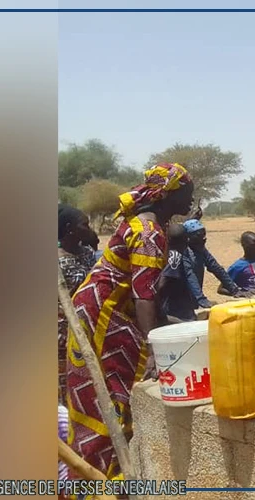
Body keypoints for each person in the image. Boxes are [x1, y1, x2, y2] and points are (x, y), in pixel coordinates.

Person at [65, 163, 194, 479]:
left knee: (99, 400)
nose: (191, 203)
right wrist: (153, 347)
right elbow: (144, 295)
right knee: (109, 400)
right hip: (103, 319)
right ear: (167, 195)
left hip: (97, 311)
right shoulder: (148, 233)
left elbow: (147, 293)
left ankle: (102, 475)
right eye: (186, 195)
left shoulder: (145, 225)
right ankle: (100, 482)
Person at [58, 204, 97, 404]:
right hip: (63, 335)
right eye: (84, 225)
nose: (88, 229)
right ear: (69, 229)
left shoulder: (88, 253)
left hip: (90, 328)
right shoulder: (57, 263)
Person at [181, 219, 245, 306]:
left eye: (204, 234)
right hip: (182, 299)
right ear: (188, 239)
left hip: (195, 298)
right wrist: (201, 299)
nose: (204, 239)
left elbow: (216, 268)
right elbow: (190, 275)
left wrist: (234, 290)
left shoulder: (201, 250)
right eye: (199, 236)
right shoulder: (184, 253)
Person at [159, 223, 199, 323]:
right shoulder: (175, 258)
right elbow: (163, 282)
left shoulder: (166, 253)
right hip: (178, 310)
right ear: (187, 240)